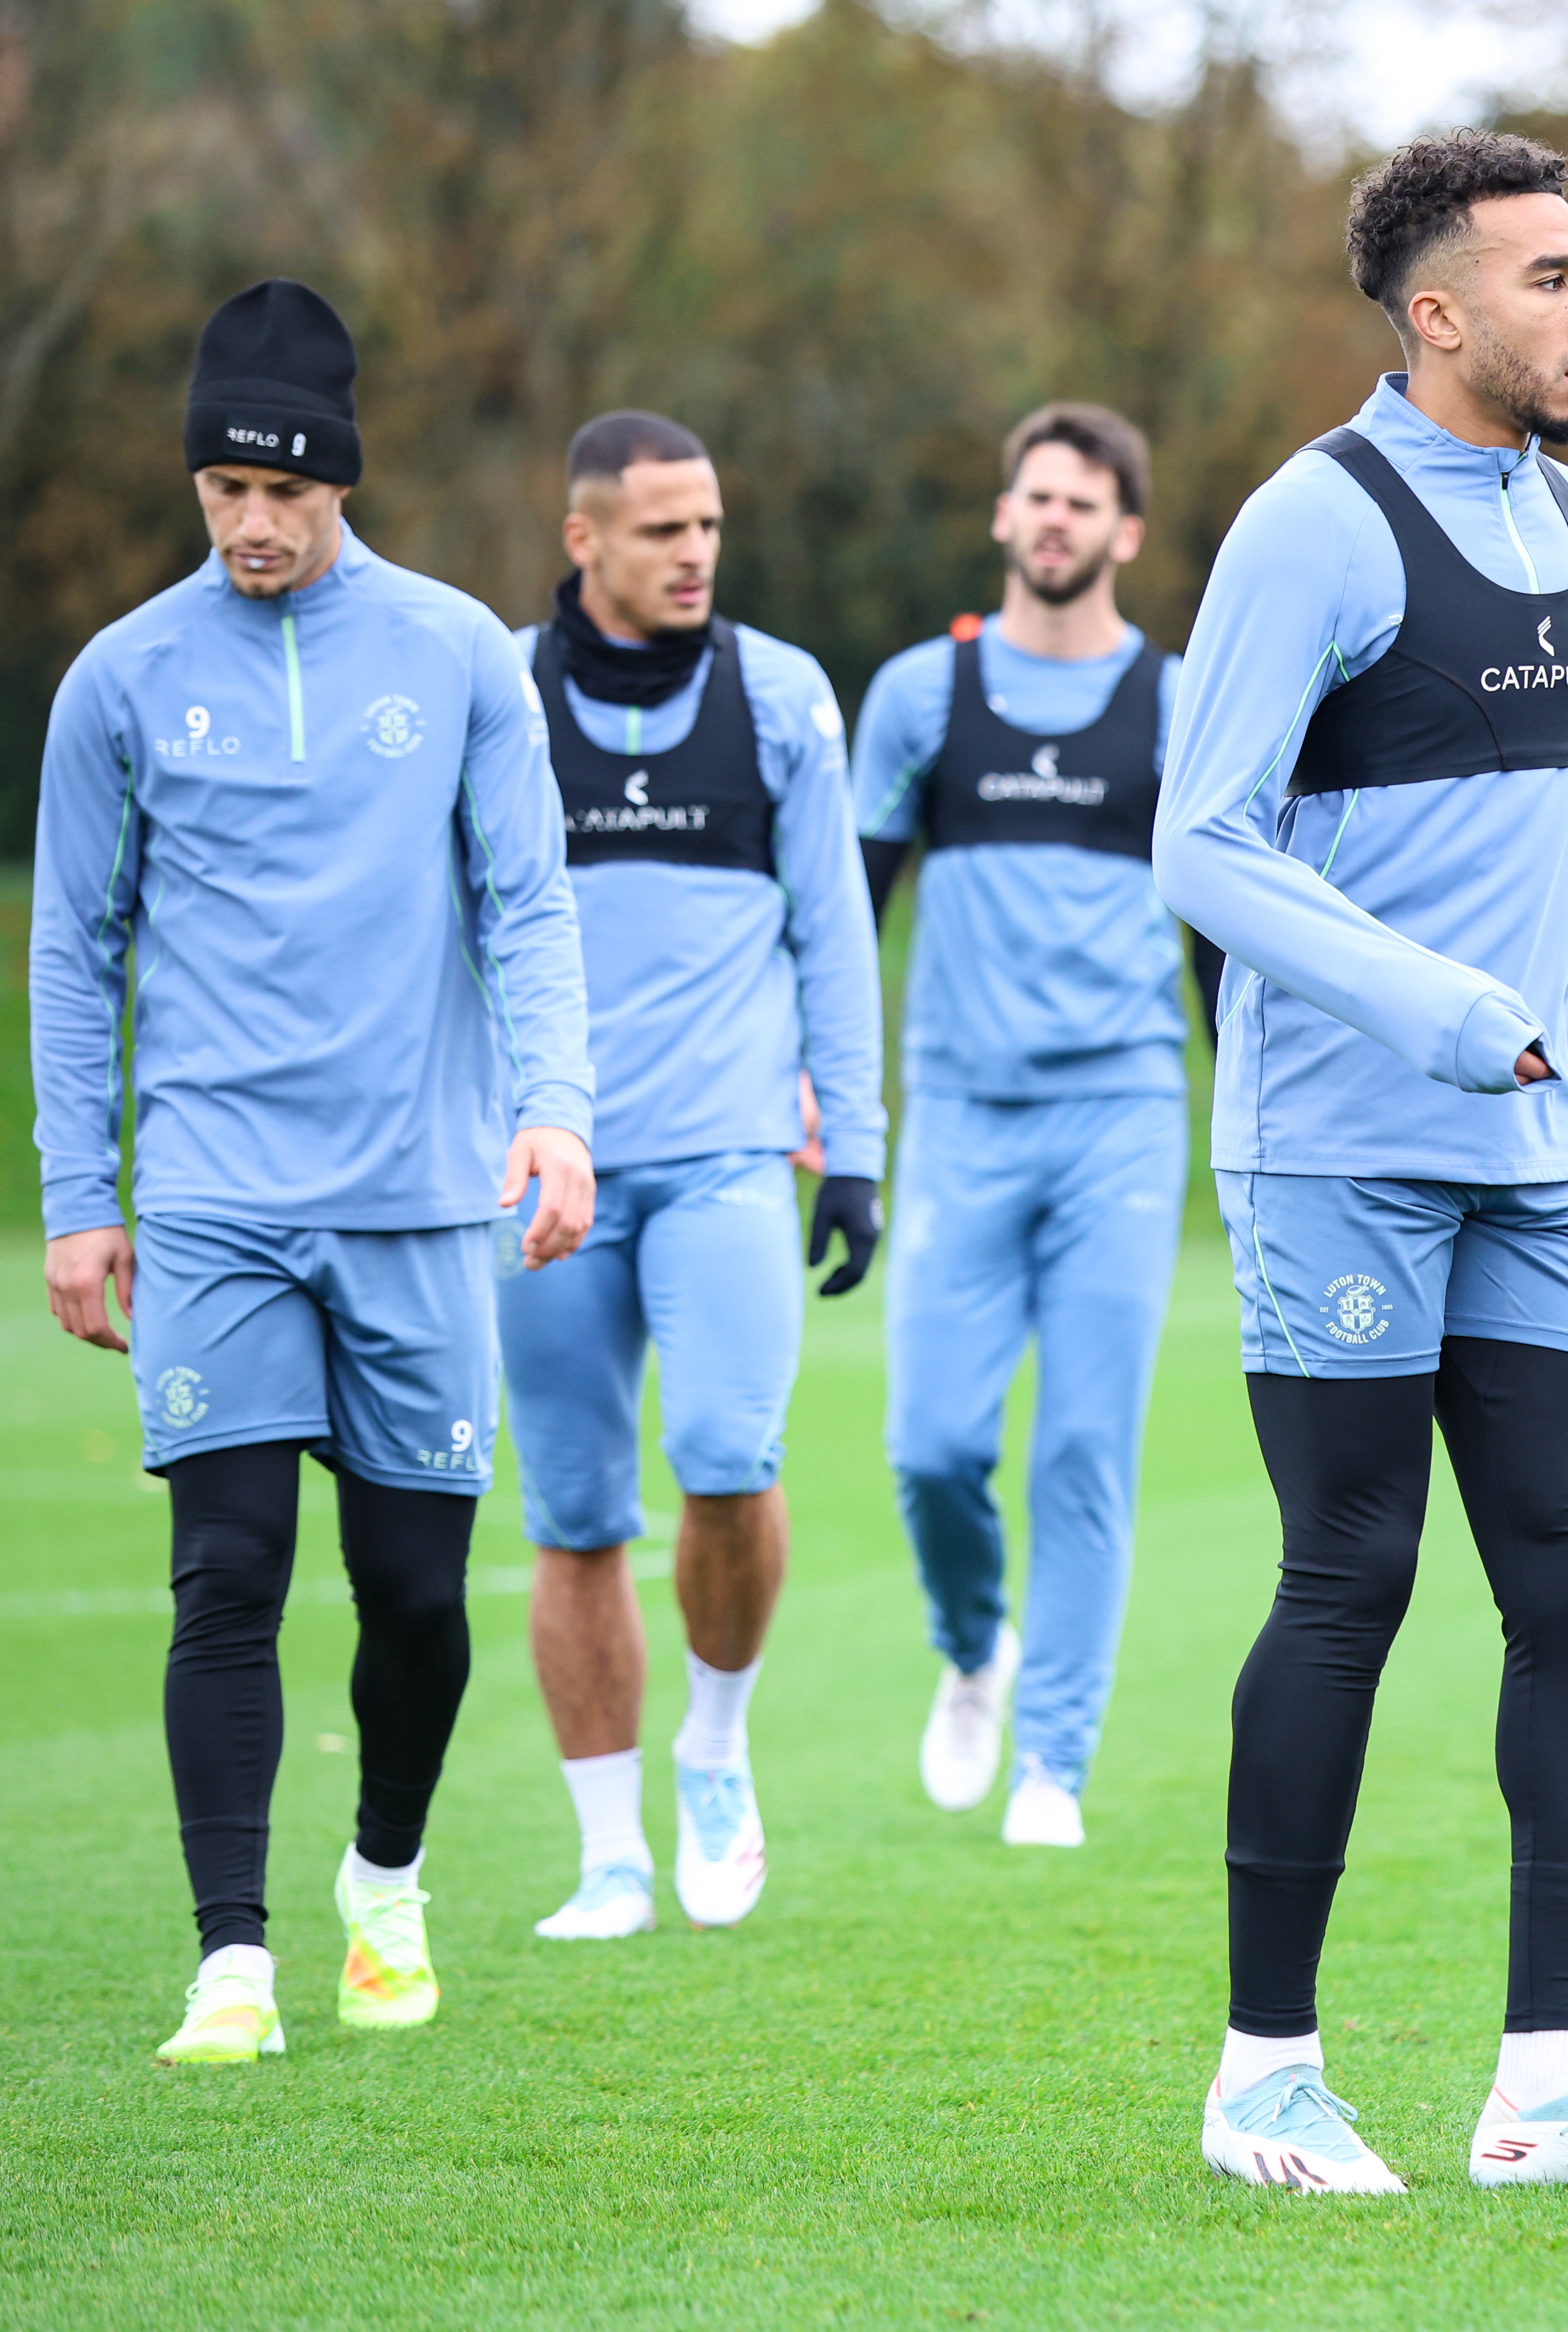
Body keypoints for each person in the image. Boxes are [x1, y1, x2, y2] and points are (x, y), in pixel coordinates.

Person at [1153, 129, 1568, 2197]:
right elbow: (1204, 842)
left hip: (1536, 1166)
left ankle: (1549, 2088)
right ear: (1435, 313)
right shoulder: (1305, 529)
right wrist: (1424, 1006)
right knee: (1350, 1575)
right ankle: (1260, 2081)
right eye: (1549, 277)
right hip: (1336, 1144)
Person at [28, 280, 596, 2064]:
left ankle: (384, 1879)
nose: (254, 522)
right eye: (222, 490)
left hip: (424, 1196)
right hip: (212, 1198)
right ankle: (231, 1960)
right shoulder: (119, 679)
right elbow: (72, 946)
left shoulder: (453, 656)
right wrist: (78, 1193)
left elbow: (526, 899)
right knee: (228, 1572)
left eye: (285, 490)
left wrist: (554, 1106)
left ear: (343, 481)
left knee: (419, 1598)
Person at [500, 411, 884, 1943]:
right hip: (546, 1177)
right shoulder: (504, 703)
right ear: (583, 537)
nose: (695, 553)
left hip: (730, 1155)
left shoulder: (783, 696)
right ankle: (608, 1851)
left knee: (728, 1457)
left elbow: (834, 934)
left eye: (709, 525)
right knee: (578, 1510)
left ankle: (715, 1747)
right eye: (662, 528)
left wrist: (853, 1148)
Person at [852, 404, 1188, 1852]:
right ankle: (970, 1643)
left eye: (1085, 503)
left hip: (1123, 1112)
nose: (1055, 520)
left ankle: (1053, 1754)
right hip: (962, 1118)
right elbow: (843, 914)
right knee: (931, 1444)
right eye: (1035, 497)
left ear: (1125, 533)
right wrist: (821, 1087)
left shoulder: (1178, 701)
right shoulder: (923, 696)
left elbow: (1229, 923)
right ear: (1004, 519)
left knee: (1085, 1452)